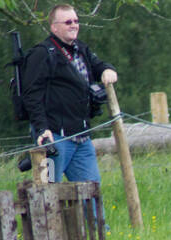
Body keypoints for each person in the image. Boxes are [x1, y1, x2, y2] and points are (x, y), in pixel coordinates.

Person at [20, 4, 116, 184]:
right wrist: (42, 129)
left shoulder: (80, 49)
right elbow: (31, 95)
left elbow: (99, 66)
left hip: (82, 138)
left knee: (92, 197)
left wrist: (107, 70)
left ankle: (87, 215)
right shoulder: (42, 53)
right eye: (68, 22)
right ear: (54, 27)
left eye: (76, 21)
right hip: (54, 138)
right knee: (47, 194)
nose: (74, 25)